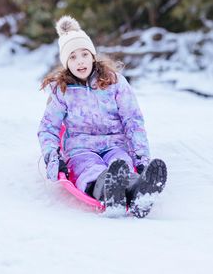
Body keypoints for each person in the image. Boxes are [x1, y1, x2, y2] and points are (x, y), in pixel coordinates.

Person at [37, 15, 167, 217]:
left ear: (92, 56)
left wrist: (141, 156)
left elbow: (133, 120)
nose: (80, 61)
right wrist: (53, 157)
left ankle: (139, 193)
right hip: (81, 148)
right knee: (89, 169)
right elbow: (48, 128)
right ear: (66, 63)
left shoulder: (114, 82)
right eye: (72, 57)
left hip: (115, 143)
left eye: (84, 54)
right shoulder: (62, 91)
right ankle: (108, 192)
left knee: (121, 164)